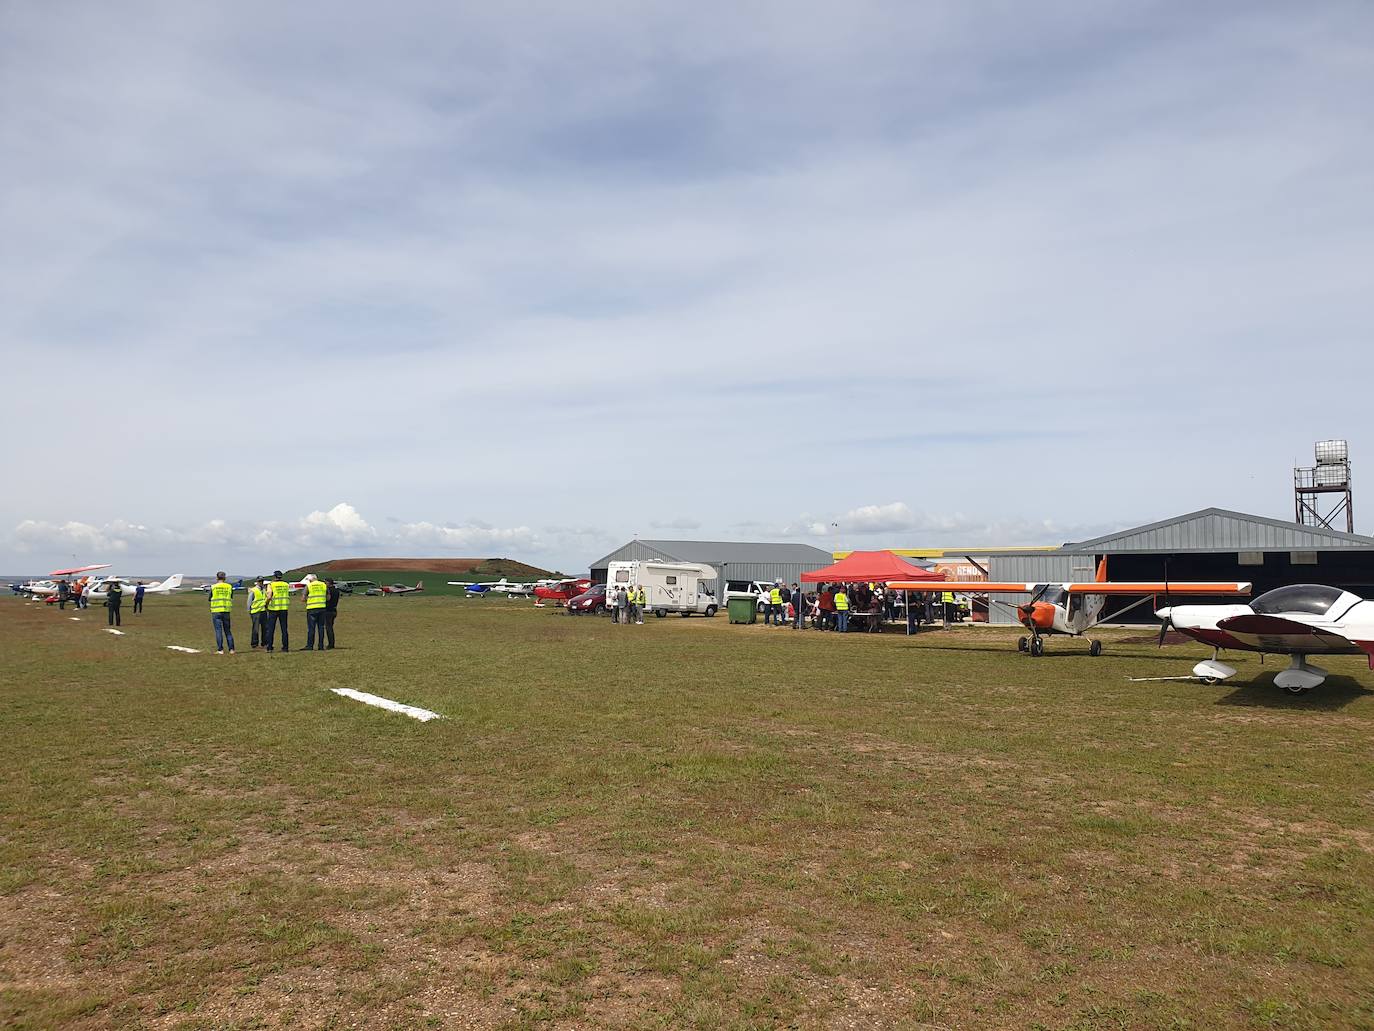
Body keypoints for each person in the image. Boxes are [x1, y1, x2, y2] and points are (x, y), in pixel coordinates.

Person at [264, 570, 291, 652]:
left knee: (271, 629)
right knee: (284, 629)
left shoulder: (271, 584)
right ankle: (285, 647)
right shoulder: (286, 584)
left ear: (274, 576)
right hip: (284, 608)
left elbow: (269, 596)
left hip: (273, 608)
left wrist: (266, 604)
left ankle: (269, 647)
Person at [210, 571, 235, 654]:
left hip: (216, 611)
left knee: (218, 631)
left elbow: (210, 597)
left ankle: (220, 649)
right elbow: (231, 596)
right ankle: (231, 649)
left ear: (217, 578)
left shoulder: (213, 587)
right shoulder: (229, 586)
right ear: (225, 578)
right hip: (226, 610)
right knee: (228, 630)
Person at [304, 574, 328, 650]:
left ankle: (310, 646)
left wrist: (309, 600)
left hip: (311, 609)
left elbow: (303, 598)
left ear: (310, 580)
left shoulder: (309, 585)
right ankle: (321, 646)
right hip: (322, 608)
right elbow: (328, 597)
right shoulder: (324, 585)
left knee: (311, 628)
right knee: (321, 627)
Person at [324, 577, 341, 649]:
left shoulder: (328, 591)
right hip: (334, 610)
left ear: (328, 583)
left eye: (325, 582)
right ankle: (331, 643)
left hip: (328, 610)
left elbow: (328, 599)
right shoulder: (337, 590)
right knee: (330, 627)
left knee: (328, 628)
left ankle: (331, 644)